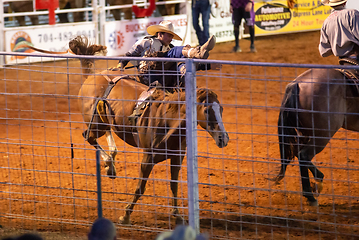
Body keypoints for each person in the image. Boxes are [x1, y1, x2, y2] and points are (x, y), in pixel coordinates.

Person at [117, 20, 220, 87]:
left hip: (164, 77)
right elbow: (129, 55)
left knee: (182, 64)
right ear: (160, 34)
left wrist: (208, 66)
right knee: (175, 53)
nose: (171, 39)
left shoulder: (170, 48)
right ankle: (197, 52)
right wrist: (120, 65)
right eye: (169, 35)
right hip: (148, 76)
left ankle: (187, 77)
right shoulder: (146, 42)